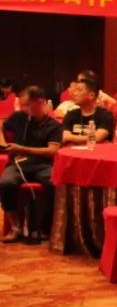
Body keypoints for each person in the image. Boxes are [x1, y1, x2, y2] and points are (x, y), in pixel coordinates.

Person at [1, 86, 63, 245]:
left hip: (42, 165)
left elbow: (52, 151)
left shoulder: (53, 125)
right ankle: (15, 227)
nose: (24, 108)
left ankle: (45, 226)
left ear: (40, 102)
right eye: (22, 105)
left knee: (54, 183)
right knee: (5, 183)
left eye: (27, 105)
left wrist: (22, 149)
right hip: (18, 164)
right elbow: (1, 126)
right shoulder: (19, 117)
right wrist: (3, 143)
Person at [61, 77, 115, 145]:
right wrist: (87, 138)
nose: (75, 93)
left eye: (79, 90)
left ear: (91, 95)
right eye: (75, 90)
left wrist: (71, 137)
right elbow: (65, 136)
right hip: (73, 150)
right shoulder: (71, 114)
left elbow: (97, 138)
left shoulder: (105, 115)